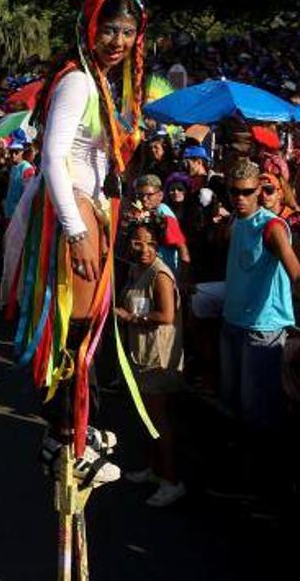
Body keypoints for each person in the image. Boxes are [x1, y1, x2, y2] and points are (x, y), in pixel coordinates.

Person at [4, 0, 150, 485]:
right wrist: (76, 230)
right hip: (74, 211)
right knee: (79, 331)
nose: (118, 41)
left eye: (128, 33)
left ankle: (69, 436)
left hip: (88, 209)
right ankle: (69, 438)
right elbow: (52, 159)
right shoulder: (80, 84)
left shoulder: (101, 84)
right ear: (91, 28)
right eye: (110, 30)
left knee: (84, 332)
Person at [218, 159, 300, 495]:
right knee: (236, 404)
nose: (240, 198)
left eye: (247, 192)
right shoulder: (236, 222)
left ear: (260, 192)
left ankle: (266, 484)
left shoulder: (273, 226)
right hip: (233, 322)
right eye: (234, 192)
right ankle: (248, 477)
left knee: (259, 411)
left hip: (262, 329)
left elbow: (296, 273)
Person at [116, 216, 185, 507]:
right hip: (141, 354)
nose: (144, 248)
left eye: (151, 244)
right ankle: (155, 469)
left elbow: (166, 315)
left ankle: (171, 481)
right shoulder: (136, 269)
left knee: (158, 421)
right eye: (138, 242)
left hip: (158, 358)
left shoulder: (160, 275)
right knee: (147, 419)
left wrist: (131, 318)